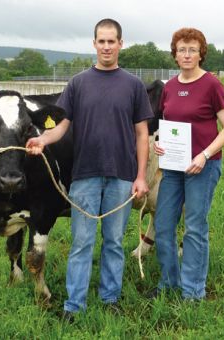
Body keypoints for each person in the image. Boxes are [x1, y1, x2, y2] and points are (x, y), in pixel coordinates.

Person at [26, 18, 153, 318]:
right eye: (102, 41)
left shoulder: (134, 85)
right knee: (81, 243)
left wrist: (140, 176)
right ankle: (74, 305)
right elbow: (61, 126)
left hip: (122, 177)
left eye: (112, 41)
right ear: (94, 43)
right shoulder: (78, 84)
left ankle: (110, 300)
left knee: (113, 242)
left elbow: (142, 134)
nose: (107, 46)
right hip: (84, 176)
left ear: (121, 44)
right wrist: (42, 139)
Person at [150, 28, 224, 301]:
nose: (186, 54)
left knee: (195, 228)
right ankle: (169, 282)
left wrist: (205, 155)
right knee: (163, 226)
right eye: (182, 49)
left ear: (201, 54)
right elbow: (168, 126)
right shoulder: (170, 87)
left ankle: (192, 291)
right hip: (173, 168)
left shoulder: (212, 85)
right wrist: (159, 143)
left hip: (203, 167)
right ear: (175, 54)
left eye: (192, 49)